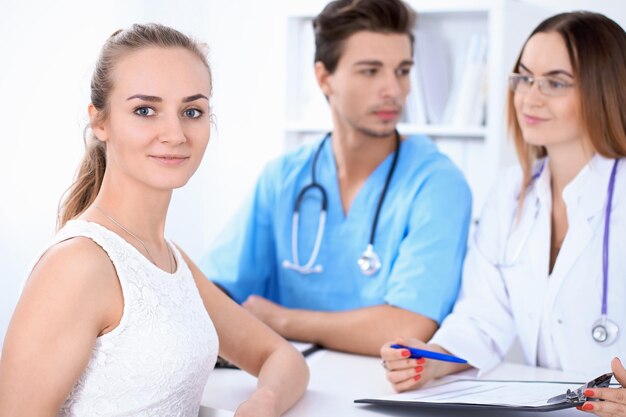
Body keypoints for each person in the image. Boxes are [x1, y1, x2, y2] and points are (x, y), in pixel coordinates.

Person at [0, 23, 308, 417]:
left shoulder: (167, 259)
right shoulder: (77, 265)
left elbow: (282, 358)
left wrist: (262, 403)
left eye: (192, 111)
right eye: (145, 110)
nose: (175, 133)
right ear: (100, 122)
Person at [380, 10, 626, 415]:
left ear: (604, 90)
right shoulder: (511, 192)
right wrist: (432, 360)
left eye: (555, 82)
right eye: (525, 78)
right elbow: (482, 316)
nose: (530, 97)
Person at [200, 0, 472, 357]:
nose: (394, 89)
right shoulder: (283, 178)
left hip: (384, 391)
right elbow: (213, 291)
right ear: (324, 77)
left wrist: (281, 320)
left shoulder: (437, 184)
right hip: (287, 383)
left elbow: (407, 327)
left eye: (402, 70)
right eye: (371, 71)